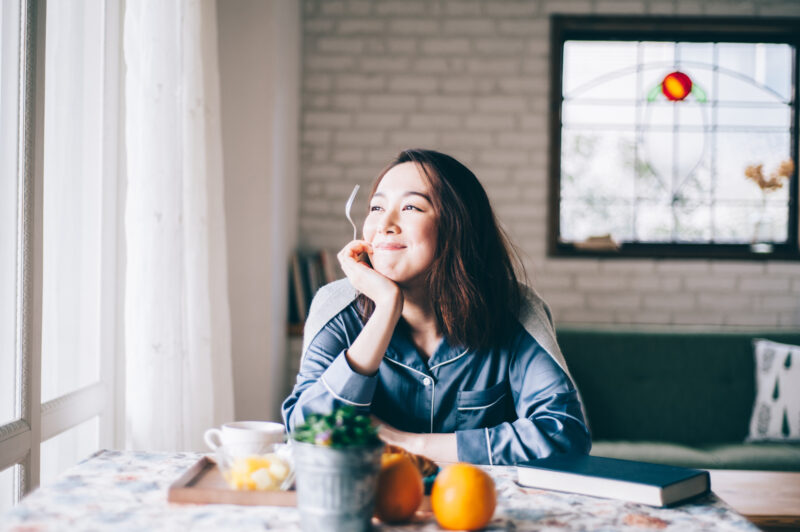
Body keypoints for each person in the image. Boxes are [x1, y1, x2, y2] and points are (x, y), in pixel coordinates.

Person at [282, 149, 591, 465]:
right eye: (376, 207)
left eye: (411, 207)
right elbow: (305, 434)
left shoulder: (517, 310)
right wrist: (387, 307)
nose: (384, 224)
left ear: (458, 226)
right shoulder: (335, 306)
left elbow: (563, 436)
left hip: (477, 507)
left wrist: (406, 443)